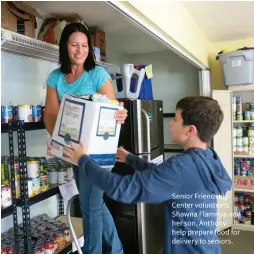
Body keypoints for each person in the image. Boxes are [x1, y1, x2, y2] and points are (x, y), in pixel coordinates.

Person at [63, 96, 232, 254]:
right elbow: (163, 175)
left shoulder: (180, 167)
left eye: (175, 119)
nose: (170, 123)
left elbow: (122, 189)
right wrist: (131, 159)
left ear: (190, 130)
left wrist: (83, 160)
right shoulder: (208, 156)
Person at [44, 23, 127, 254]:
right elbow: (51, 115)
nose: (80, 51)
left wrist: (120, 113)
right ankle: (117, 250)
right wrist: (58, 139)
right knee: (95, 204)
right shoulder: (55, 77)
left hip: (97, 155)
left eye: (84, 45)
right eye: (74, 45)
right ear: (65, 47)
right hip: (74, 152)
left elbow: (113, 111)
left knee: (89, 208)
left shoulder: (97, 74)